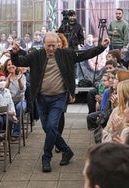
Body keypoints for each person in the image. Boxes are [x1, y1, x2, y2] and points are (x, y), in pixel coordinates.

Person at [11, 31, 110, 172]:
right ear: (43, 45)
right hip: (41, 98)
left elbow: (85, 54)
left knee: (52, 127)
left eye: (53, 45)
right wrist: (14, 53)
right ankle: (66, 150)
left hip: (58, 97)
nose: (51, 49)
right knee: (48, 128)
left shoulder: (66, 54)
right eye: (48, 46)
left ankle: (46, 158)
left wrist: (101, 47)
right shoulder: (37, 56)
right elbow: (19, 62)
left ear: (58, 44)